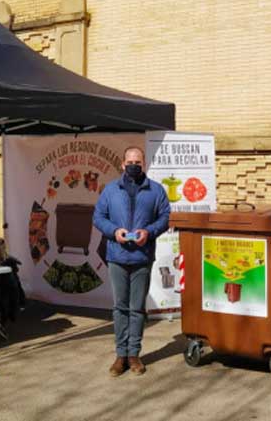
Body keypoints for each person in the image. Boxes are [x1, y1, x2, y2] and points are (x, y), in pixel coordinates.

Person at [93, 146, 170, 377]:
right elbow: (98, 217)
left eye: (138, 161)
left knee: (136, 308)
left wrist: (149, 231)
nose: (134, 165)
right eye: (130, 161)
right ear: (122, 163)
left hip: (142, 257)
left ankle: (134, 354)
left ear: (143, 164)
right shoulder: (110, 190)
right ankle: (120, 355)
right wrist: (114, 231)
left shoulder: (156, 190)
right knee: (120, 308)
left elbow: (165, 217)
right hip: (116, 256)